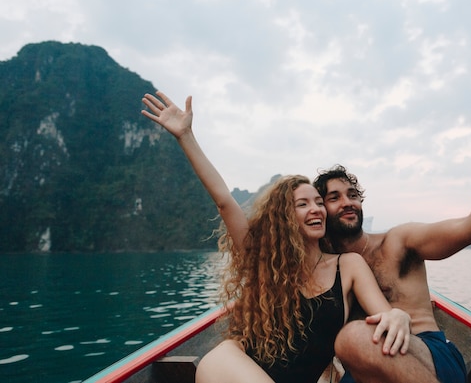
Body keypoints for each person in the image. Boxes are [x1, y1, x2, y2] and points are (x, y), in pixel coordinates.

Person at [141, 91, 412, 383]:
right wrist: (186, 136)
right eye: (303, 204)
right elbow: (224, 201)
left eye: (319, 202)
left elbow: (384, 316)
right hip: (241, 370)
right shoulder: (263, 262)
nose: (316, 209)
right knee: (220, 355)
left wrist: (398, 315)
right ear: (284, 217)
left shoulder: (347, 266)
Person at [313, 112, 471, 383]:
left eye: (353, 195)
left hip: (426, 351)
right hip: (367, 364)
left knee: (355, 340)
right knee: (355, 346)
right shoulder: (324, 264)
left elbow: (470, 229)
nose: (348, 202)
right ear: (321, 209)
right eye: (335, 197)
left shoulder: (398, 241)